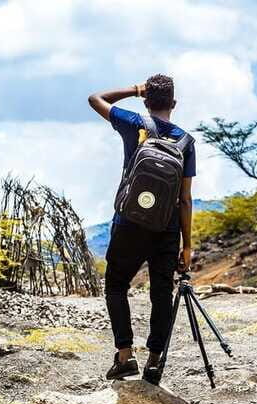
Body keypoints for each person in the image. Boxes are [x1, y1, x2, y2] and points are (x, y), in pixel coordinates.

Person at [88, 74, 196, 383]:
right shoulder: (186, 142)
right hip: (167, 229)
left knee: (116, 285)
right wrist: (186, 246)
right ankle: (154, 361)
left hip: (129, 223)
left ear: (147, 101)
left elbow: (95, 98)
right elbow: (185, 199)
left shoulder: (135, 123)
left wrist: (135, 90)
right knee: (161, 294)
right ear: (173, 104)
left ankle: (124, 356)